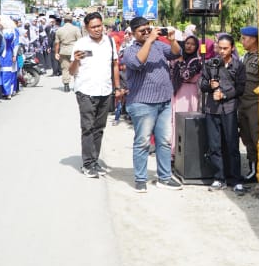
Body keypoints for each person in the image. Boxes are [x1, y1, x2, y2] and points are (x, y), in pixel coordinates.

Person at [122, 16, 183, 192]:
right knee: (142, 142)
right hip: (142, 103)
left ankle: (164, 177)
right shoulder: (130, 50)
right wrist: (149, 40)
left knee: (164, 141)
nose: (147, 32)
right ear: (133, 33)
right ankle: (140, 179)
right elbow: (137, 62)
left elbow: (176, 53)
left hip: (164, 100)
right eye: (142, 31)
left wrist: (172, 41)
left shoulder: (158, 45)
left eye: (148, 29)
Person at [69, 12, 120, 178]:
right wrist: (75, 60)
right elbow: (71, 71)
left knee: (99, 128)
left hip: (105, 91)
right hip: (86, 91)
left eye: (99, 26)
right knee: (88, 128)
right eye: (93, 27)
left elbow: (114, 65)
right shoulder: (81, 44)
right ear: (86, 28)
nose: (97, 29)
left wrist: (117, 87)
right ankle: (88, 164)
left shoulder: (110, 42)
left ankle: (95, 160)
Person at [200, 34, 245, 192]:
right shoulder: (209, 64)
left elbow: (241, 88)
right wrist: (210, 86)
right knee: (214, 146)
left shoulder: (238, 65)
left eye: (226, 48)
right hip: (212, 110)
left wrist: (224, 94)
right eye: (220, 48)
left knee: (232, 145)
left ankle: (235, 179)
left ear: (232, 48)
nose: (222, 51)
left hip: (230, 109)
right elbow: (202, 85)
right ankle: (219, 178)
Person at [238, 27, 259, 182]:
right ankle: (253, 170)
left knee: (257, 138)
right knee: (246, 138)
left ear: (253, 39)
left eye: (244, 38)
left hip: (255, 103)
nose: (242, 41)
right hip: (243, 102)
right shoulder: (246, 57)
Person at [170, 34, 203, 136]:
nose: (189, 46)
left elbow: (186, 75)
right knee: (174, 118)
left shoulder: (196, 61)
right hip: (177, 90)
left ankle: (185, 148)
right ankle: (174, 146)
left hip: (188, 92)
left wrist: (180, 62)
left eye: (192, 44)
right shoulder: (179, 57)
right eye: (187, 43)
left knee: (184, 118)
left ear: (196, 47)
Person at [54, 15, 80, 92]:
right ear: (71, 21)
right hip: (74, 50)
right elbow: (80, 40)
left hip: (63, 51)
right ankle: (76, 86)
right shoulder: (76, 29)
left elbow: (57, 43)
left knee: (65, 68)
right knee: (76, 68)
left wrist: (56, 53)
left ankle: (66, 85)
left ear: (64, 21)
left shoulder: (59, 30)